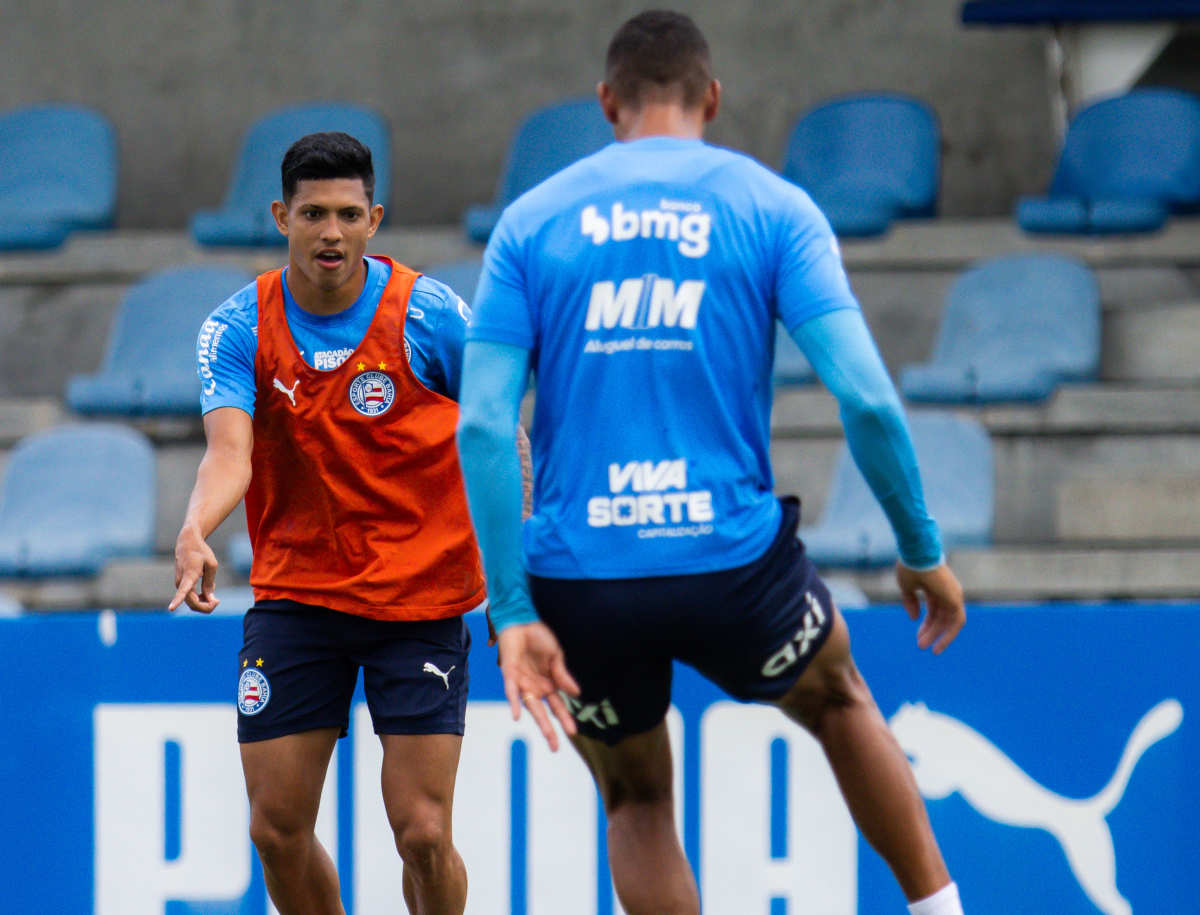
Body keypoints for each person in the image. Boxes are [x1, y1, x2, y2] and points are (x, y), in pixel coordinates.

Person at [456, 10, 967, 915]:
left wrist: (512, 609)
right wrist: (920, 546)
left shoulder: (531, 223)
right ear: (714, 99)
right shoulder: (775, 208)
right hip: (733, 564)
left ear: (606, 102)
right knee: (841, 699)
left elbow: (487, 427)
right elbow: (868, 398)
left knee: (637, 796)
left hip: (584, 574)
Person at [170, 131, 483, 915]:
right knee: (275, 828)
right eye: (313, 214)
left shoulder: (431, 315)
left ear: (375, 218)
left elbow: (496, 426)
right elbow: (228, 455)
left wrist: (519, 564)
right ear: (282, 215)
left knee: (422, 830)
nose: (331, 232)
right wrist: (195, 526)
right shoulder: (237, 327)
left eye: (348, 213)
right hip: (299, 597)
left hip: (420, 600)